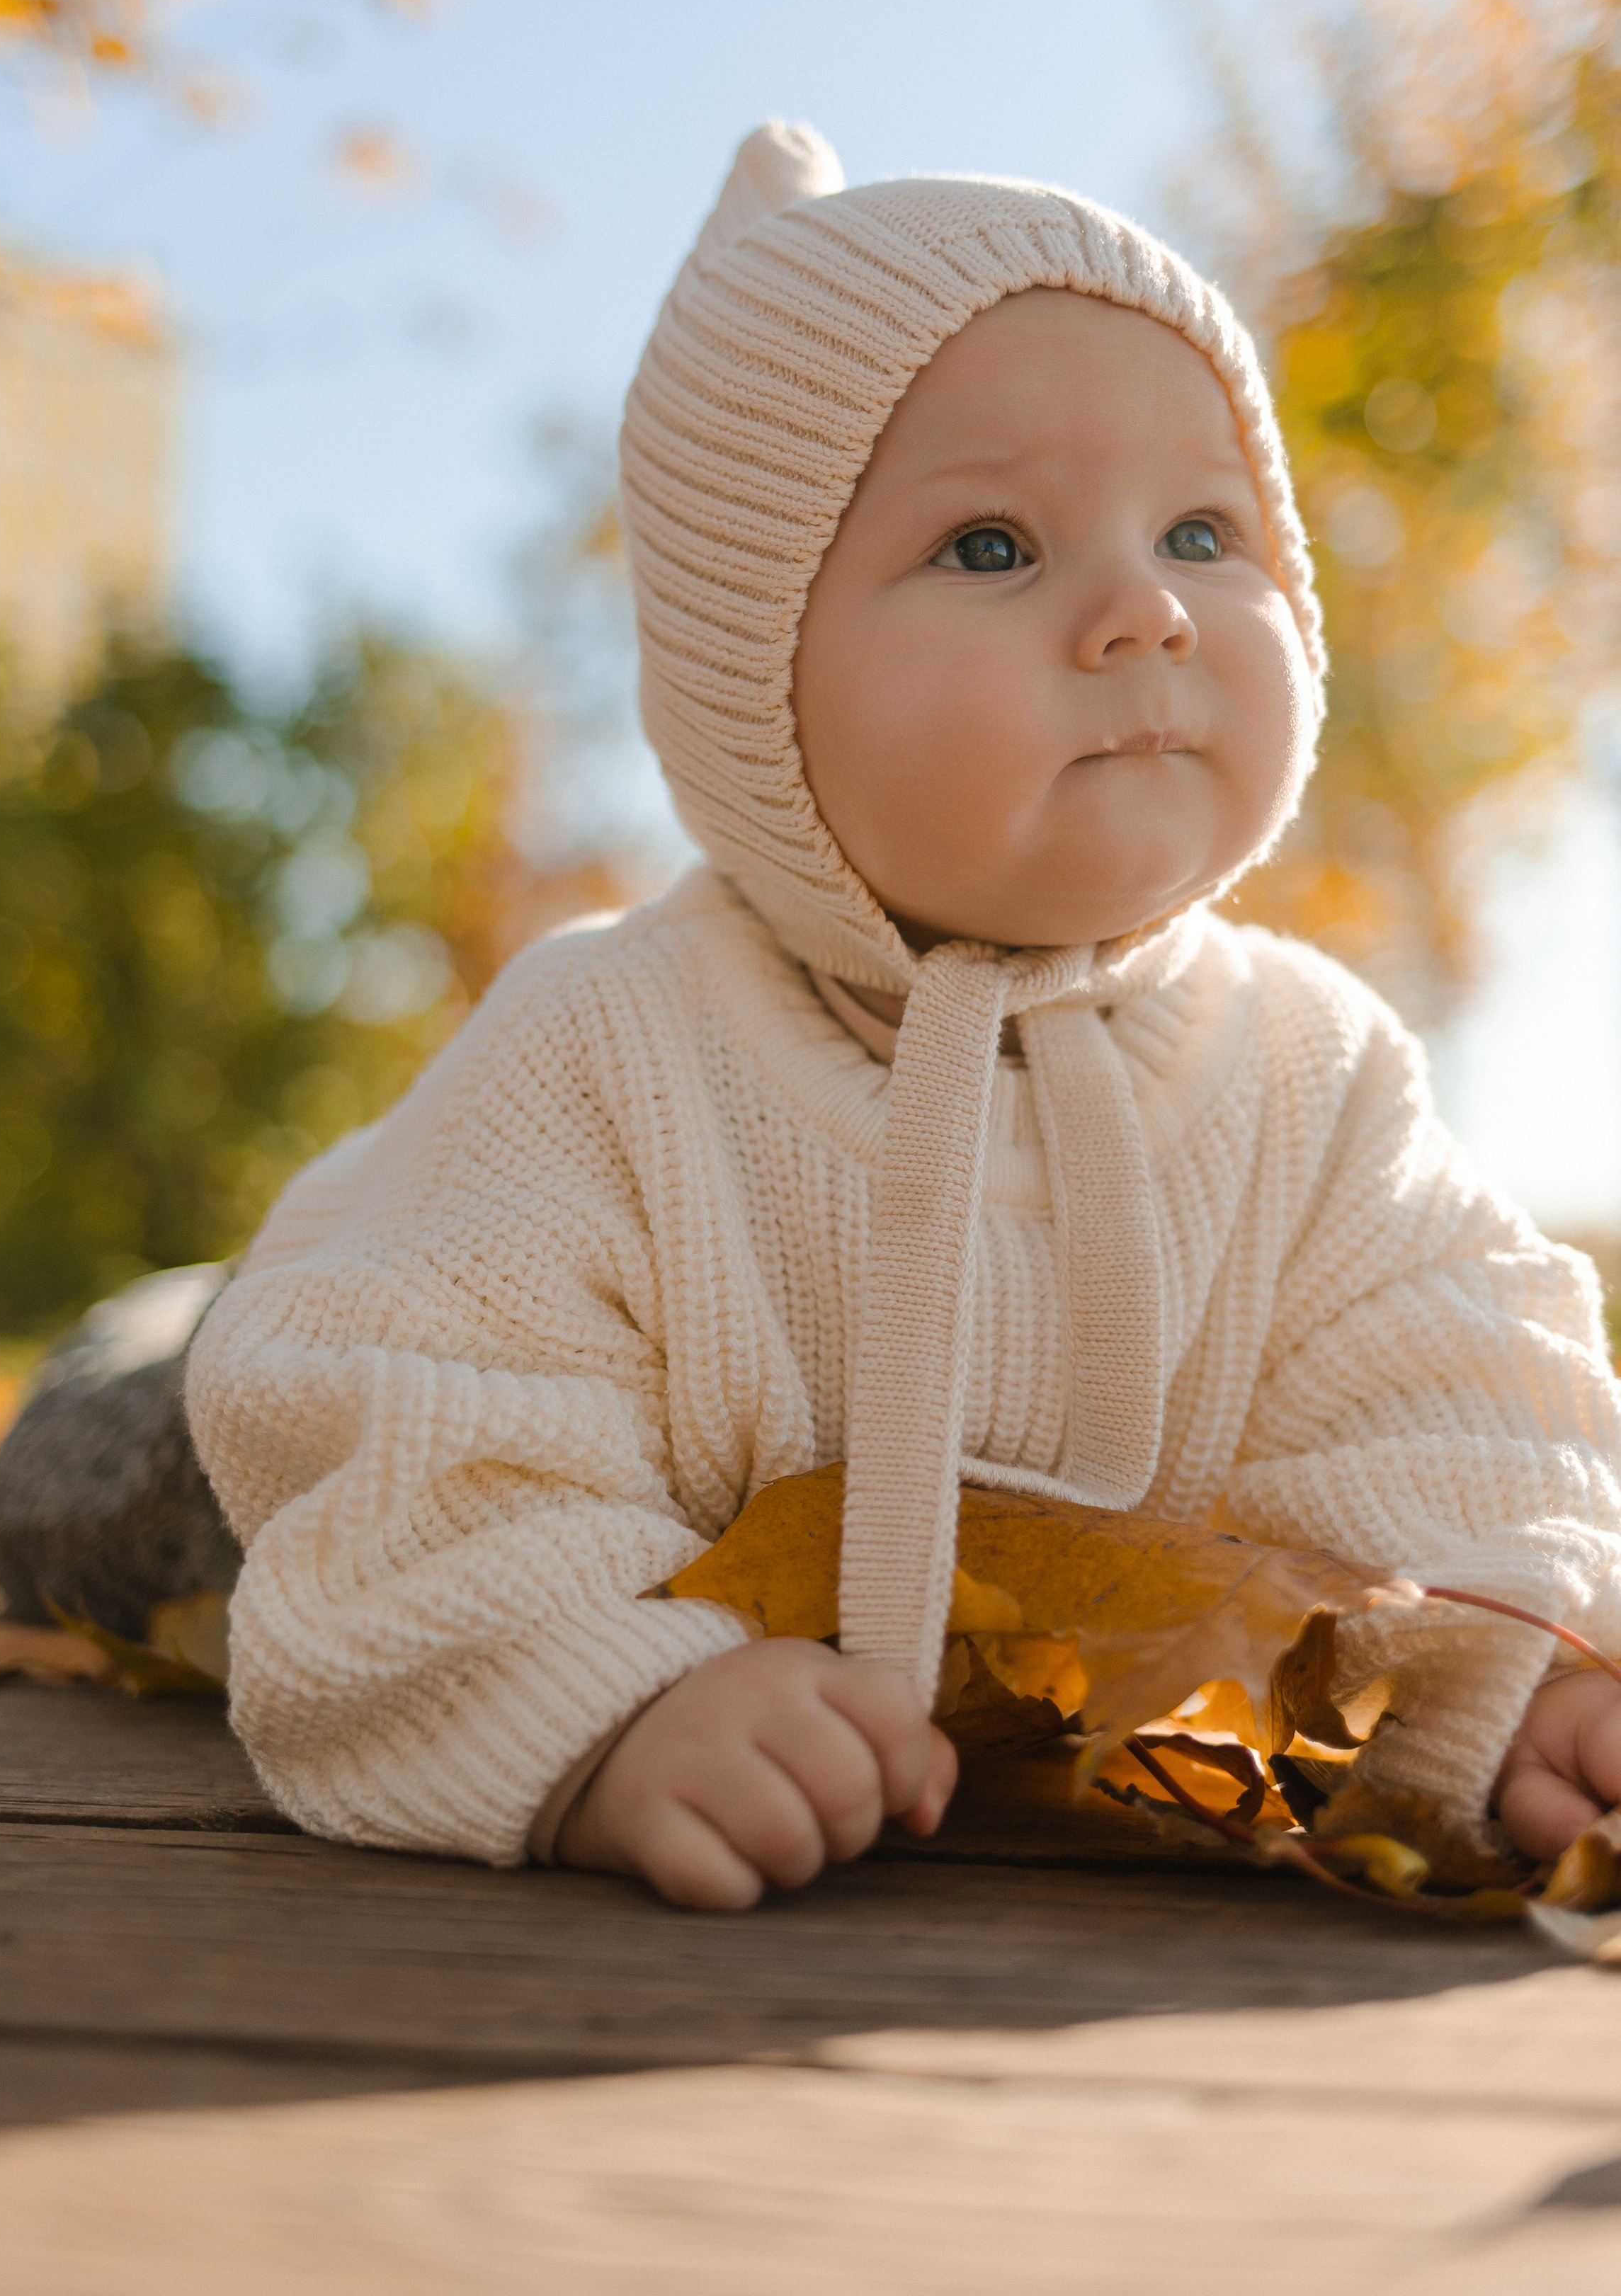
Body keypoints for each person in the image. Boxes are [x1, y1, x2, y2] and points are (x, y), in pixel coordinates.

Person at [185, 122, 1621, 1909]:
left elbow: (1453, 1406)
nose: (1144, 612)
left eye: (1200, 528)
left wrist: (1508, 1681)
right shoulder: (605, 1043)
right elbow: (414, 1432)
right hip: (241, 1407)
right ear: (747, 673)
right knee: (140, 1459)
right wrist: (614, 1704)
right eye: (993, 544)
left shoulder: (1315, 1075)